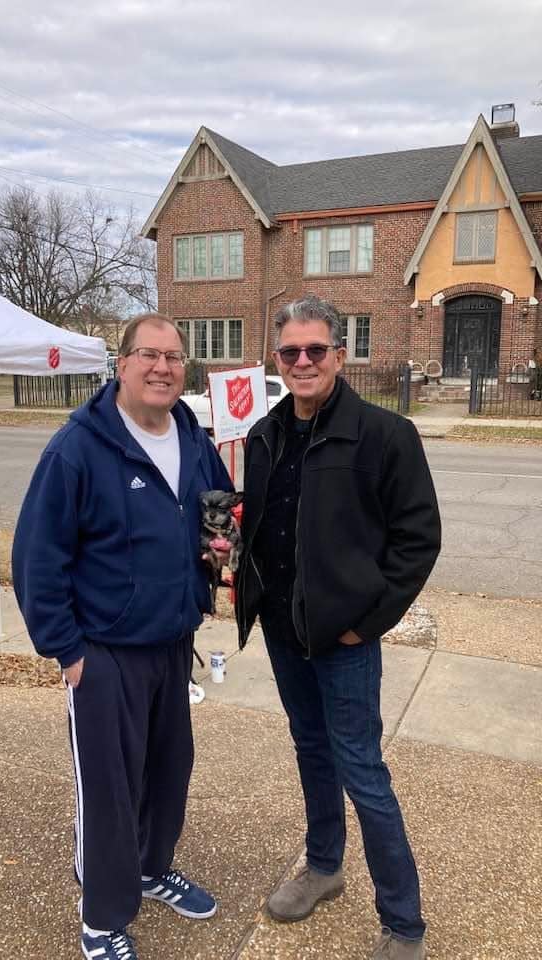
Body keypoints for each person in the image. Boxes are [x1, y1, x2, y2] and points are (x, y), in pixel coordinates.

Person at [12, 312, 232, 960]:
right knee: (109, 790)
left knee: (168, 773)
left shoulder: (193, 438)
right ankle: (102, 918)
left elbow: (217, 511)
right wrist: (68, 653)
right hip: (103, 654)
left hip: (171, 644)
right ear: (122, 364)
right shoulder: (77, 448)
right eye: (149, 355)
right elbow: (36, 558)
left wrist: (221, 552)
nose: (163, 367)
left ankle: (150, 869)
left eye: (173, 356)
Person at [234, 295, 441, 959]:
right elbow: (265, 527)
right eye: (290, 351)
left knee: (361, 770)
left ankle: (403, 925)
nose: (302, 361)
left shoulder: (384, 435)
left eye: (314, 350)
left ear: (339, 354)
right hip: (283, 631)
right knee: (311, 751)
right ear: (277, 358)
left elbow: (417, 541)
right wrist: (236, 567)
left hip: (344, 640)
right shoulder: (265, 434)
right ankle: (323, 868)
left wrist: (365, 624)